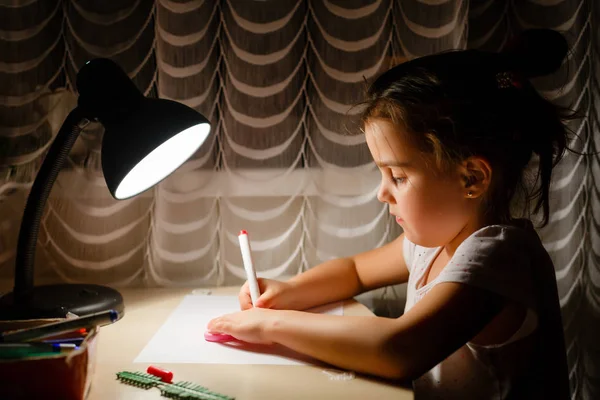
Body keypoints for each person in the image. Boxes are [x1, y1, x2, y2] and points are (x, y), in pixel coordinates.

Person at [208, 29, 573, 399]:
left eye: (397, 176)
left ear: (471, 178)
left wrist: (270, 323)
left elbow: (398, 349)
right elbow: (353, 272)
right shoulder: (436, 243)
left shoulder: (498, 256)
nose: (382, 193)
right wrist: (288, 290)